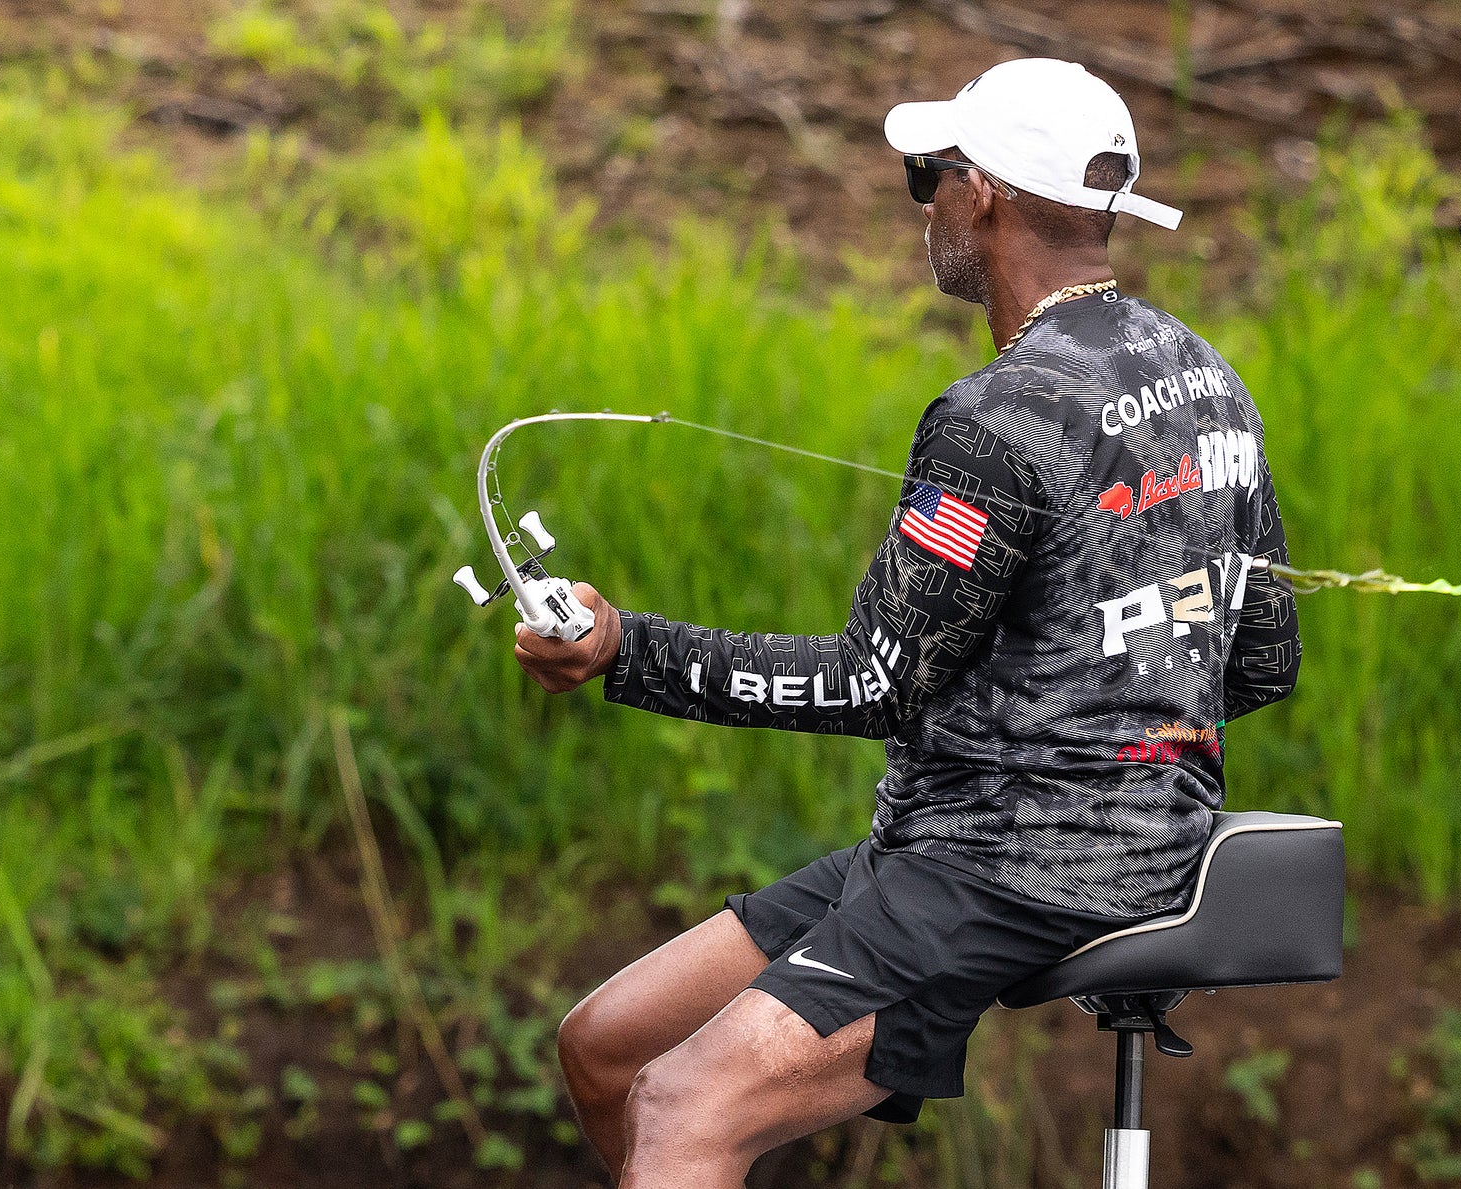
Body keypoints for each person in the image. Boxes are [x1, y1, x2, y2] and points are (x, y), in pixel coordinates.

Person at [514, 57, 1301, 1187]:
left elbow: (875, 682)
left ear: (981, 194)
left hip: (1005, 869)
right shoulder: (1211, 380)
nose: (923, 202)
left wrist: (621, 648)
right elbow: (1263, 658)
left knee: (685, 1102)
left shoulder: (994, 418)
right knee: (607, 1045)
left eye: (925, 176)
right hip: (1012, 837)